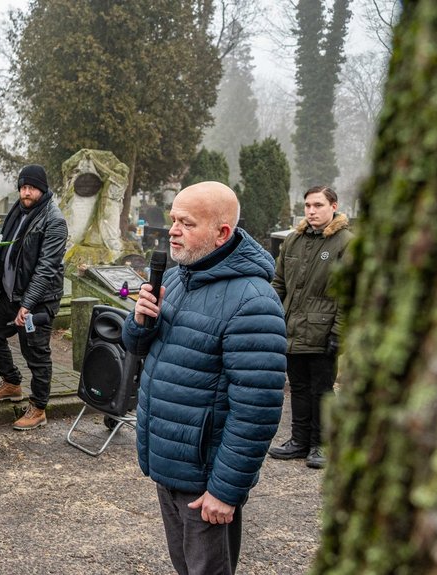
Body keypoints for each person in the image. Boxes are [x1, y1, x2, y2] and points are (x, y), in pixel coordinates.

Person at [121, 181, 286, 575]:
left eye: (186, 223)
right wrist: (140, 321)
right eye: (174, 219)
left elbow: (257, 410)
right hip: (169, 462)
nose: (173, 230)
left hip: (205, 481)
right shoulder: (180, 277)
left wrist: (226, 490)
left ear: (222, 233)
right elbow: (142, 347)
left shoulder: (253, 302)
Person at [268, 186, 354, 469]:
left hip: (324, 331)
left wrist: (339, 333)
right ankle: (299, 441)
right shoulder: (293, 241)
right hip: (291, 329)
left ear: (333, 206)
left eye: (318, 205)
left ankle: (321, 445)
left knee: (322, 390)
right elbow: (278, 284)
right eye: (307, 205)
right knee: (299, 388)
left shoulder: (345, 243)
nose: (311, 211)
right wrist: (268, 315)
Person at [0, 164, 68, 430]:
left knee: (36, 353)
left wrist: (28, 304)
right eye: (23, 187)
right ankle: (12, 382)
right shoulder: (20, 210)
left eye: (31, 188)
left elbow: (46, 267)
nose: (26, 192)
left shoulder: (54, 220)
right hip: (12, 296)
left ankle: (39, 408)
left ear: (42, 188)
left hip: (37, 301)